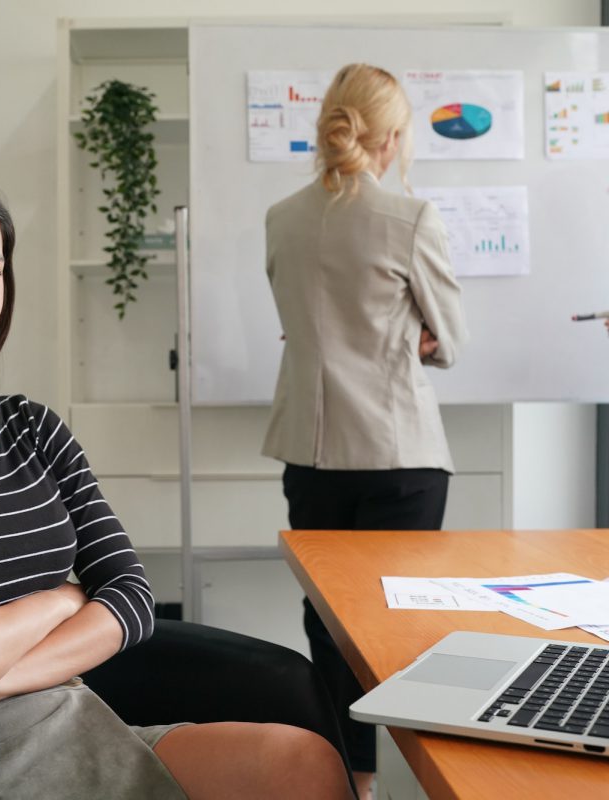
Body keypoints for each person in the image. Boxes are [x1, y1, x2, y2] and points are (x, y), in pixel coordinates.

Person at [0, 164, 354, 799]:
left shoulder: (30, 427)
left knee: (302, 762)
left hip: (74, 716)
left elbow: (129, 597)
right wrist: (64, 600)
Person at [262, 64, 469, 799]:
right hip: (397, 454)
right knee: (400, 631)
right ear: (393, 136)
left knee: (329, 629)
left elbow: (299, 330)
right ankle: (437, 779)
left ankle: (353, 782)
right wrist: (411, 338)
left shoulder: (281, 215)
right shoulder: (411, 219)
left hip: (312, 453)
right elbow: (450, 339)